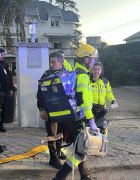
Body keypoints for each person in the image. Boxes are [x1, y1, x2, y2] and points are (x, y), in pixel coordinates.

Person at [53, 44, 98, 180]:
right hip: (81, 118)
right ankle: (59, 178)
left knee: (81, 148)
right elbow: (83, 100)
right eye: (93, 59)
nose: (94, 62)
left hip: (74, 117)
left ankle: (84, 176)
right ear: (86, 60)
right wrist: (92, 121)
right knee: (81, 153)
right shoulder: (83, 76)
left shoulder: (75, 73)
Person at [37, 52, 67, 169]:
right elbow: (40, 94)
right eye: (50, 62)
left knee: (60, 133)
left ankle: (58, 152)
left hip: (63, 110)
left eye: (54, 62)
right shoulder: (46, 75)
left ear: (61, 62)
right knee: (52, 134)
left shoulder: (65, 74)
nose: (51, 64)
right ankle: (53, 158)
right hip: (50, 110)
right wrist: (41, 109)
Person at [90, 61, 118, 134]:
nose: (96, 71)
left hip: (102, 109)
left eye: (98, 69)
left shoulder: (105, 82)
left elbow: (108, 93)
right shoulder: (88, 81)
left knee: (102, 128)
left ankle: (102, 142)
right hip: (91, 109)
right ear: (92, 70)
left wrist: (113, 100)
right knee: (90, 128)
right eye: (95, 69)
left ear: (101, 71)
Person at [0, 48, 15, 132]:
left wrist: (11, 89)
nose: (3, 56)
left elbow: (10, 76)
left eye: (3, 54)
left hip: (6, 90)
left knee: (4, 108)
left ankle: (1, 124)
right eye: (1, 54)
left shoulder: (4, 63)